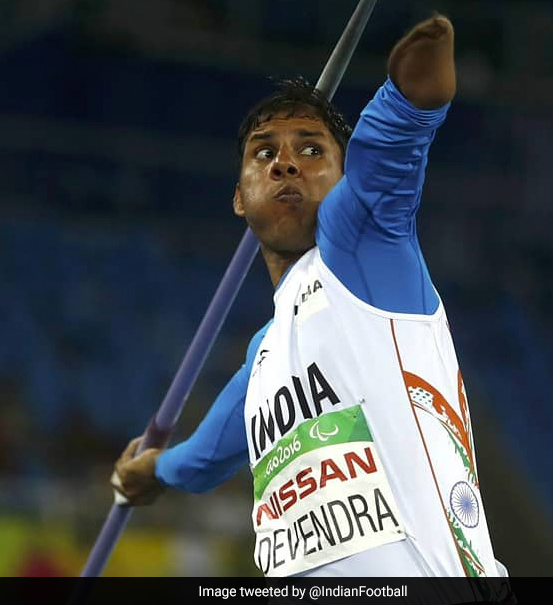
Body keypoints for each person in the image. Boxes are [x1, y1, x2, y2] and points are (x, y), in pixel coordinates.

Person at [112, 14, 509, 581]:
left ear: (344, 180)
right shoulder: (266, 356)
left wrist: (412, 95)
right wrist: (152, 470)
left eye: (312, 150)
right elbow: (204, 458)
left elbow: (398, 135)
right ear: (239, 200)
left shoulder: (362, 241)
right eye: (263, 153)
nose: (286, 163)